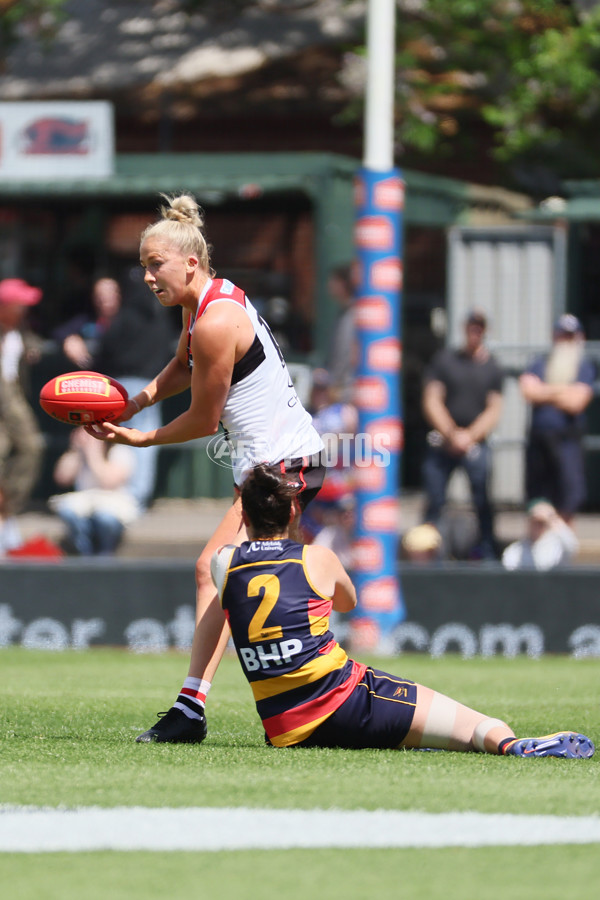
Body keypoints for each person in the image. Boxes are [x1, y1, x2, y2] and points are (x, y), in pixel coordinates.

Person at [86, 193, 324, 743]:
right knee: (264, 578)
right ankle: (306, 698)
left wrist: (140, 438)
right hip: (276, 463)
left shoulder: (216, 320)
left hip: (282, 466)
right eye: (143, 266)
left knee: (212, 568)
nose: (147, 277)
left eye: (155, 265)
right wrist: (136, 402)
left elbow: (202, 418)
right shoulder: (205, 304)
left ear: (190, 262)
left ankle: (191, 709)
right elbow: (181, 364)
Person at [209, 463, 594, 758]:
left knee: (417, 737)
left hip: (284, 728)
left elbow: (244, 548)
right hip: (348, 700)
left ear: (244, 514)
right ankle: (512, 746)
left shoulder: (223, 563)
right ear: (294, 510)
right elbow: (346, 603)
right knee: (478, 727)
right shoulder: (317, 559)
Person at [421, 309, 504, 560]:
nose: (475, 331)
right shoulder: (445, 360)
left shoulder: (492, 367)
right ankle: (427, 551)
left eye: (479, 327)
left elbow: (494, 409)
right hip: (444, 438)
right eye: (471, 326)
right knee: (434, 497)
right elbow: (432, 400)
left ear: (485, 331)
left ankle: (487, 551)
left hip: (474, 441)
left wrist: (469, 436)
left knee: (482, 497)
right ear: (464, 328)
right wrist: (451, 433)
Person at [519, 314, 596, 525]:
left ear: (579, 338)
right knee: (538, 499)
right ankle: (541, 543)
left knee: (568, 498)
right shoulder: (539, 363)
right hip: (539, 440)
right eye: (562, 335)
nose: (565, 341)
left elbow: (577, 402)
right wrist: (564, 390)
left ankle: (561, 541)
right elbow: (528, 392)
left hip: (567, 441)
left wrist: (544, 390)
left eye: (570, 336)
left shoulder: (584, 366)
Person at [0, 278, 45, 554]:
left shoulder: (19, 330)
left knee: (31, 449)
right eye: (20, 305)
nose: (25, 309)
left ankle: (7, 510)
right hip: (7, 403)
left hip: (14, 398)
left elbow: (28, 343)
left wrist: (33, 348)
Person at [48, 427, 143, 556]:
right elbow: (62, 478)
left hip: (113, 505)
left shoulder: (121, 451)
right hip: (85, 504)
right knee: (67, 511)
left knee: (104, 518)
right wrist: (75, 451)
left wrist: (93, 452)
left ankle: (104, 556)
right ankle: (86, 556)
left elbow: (108, 482)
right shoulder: (79, 453)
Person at [501, 498, 579, 571]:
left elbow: (572, 547)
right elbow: (509, 568)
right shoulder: (515, 550)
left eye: (542, 523)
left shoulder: (557, 545)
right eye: (535, 522)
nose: (538, 526)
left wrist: (552, 518)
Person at [326, 263, 355, 404]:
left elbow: (343, 354)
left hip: (347, 392)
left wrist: (334, 386)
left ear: (343, 284)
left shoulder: (351, 316)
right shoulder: (343, 313)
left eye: (334, 281)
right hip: (341, 390)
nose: (329, 285)